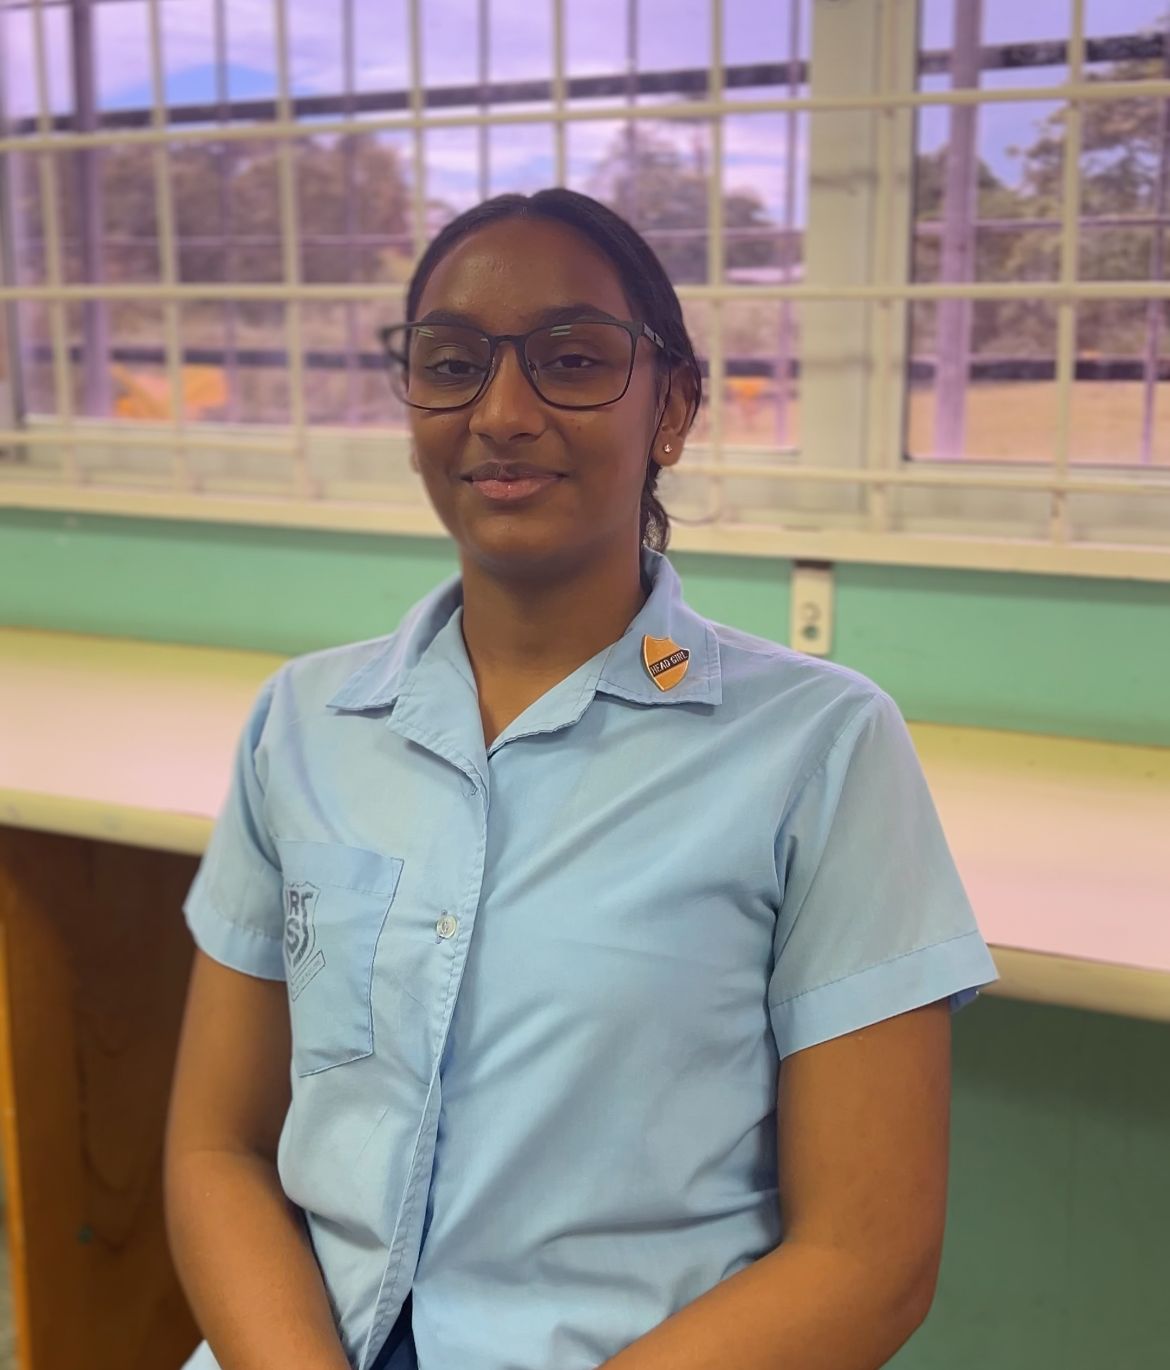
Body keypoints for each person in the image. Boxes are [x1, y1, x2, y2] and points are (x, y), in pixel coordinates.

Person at [164, 187, 999, 1370]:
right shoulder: (301, 724)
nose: (502, 412)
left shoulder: (819, 747)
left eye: (572, 360)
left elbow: (868, 1256)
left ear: (674, 407)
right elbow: (220, 1147)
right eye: (451, 363)